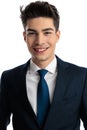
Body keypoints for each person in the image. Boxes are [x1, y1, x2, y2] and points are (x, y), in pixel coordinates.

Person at [0, 1, 87, 130]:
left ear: (57, 36)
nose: (40, 41)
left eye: (47, 33)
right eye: (32, 33)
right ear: (25, 36)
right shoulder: (9, 78)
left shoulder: (80, 76)